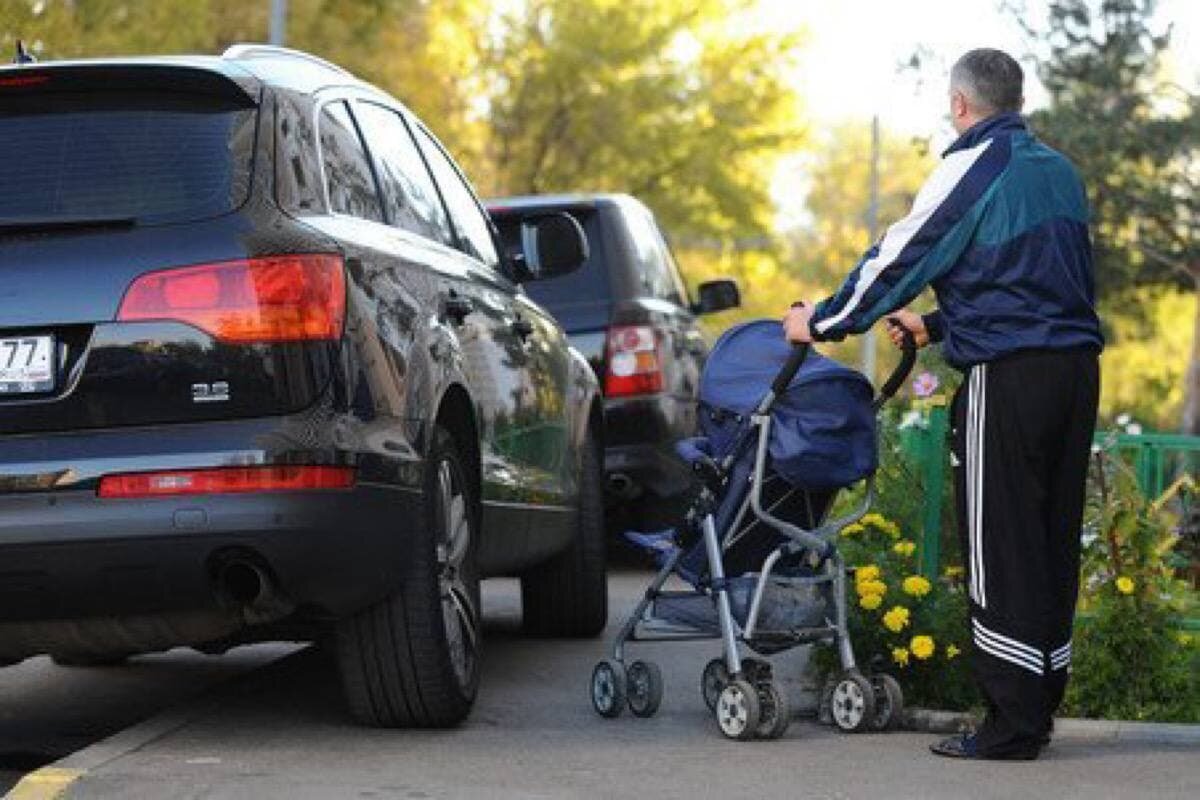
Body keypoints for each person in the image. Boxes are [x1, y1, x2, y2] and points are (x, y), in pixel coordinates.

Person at [783, 48, 1102, 760]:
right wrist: (937, 325)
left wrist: (824, 322)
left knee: (999, 540)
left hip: (1009, 378)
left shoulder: (971, 165)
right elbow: (1037, 284)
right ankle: (1038, 705)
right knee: (1049, 536)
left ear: (960, 105)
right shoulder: (1059, 172)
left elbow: (900, 257)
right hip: (1075, 372)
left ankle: (1010, 724)